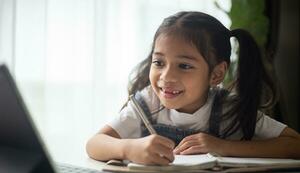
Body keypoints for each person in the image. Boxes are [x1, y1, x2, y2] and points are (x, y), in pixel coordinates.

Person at [86, 11, 300, 165]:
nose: (166, 77)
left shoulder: (229, 109)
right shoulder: (147, 104)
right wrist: (129, 148)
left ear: (216, 74)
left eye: (185, 66)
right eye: (159, 62)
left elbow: (295, 144)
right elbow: (94, 144)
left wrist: (222, 146)